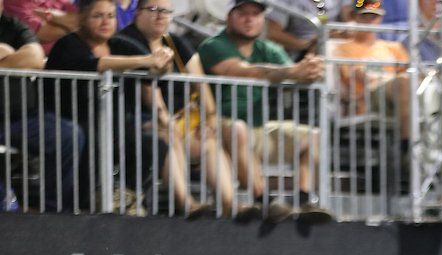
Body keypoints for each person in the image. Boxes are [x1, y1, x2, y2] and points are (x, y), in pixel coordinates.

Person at [110, 0, 278, 220]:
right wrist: (165, 118)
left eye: (165, 11)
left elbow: (199, 81)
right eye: (153, 10)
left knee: (209, 141)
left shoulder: (176, 42)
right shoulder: (126, 41)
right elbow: (148, 91)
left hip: (182, 118)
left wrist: (209, 118)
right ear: (137, 13)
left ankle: (230, 204)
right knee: (169, 135)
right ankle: (186, 203)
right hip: (138, 118)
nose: (160, 16)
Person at [46, 0, 215, 216]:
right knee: (91, 136)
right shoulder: (69, 44)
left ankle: (161, 200)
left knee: (158, 139)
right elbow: (97, 64)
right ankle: (88, 200)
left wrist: (161, 63)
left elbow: (156, 69)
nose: (106, 21)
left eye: (111, 15)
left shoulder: (119, 44)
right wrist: (145, 60)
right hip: (71, 118)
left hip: (117, 121)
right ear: (82, 19)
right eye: (98, 16)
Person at [199, 0, 332, 222]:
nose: (250, 19)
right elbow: (239, 71)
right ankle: (265, 201)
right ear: (229, 15)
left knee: (312, 136)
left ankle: (302, 200)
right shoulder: (213, 45)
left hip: (257, 129)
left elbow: (295, 72)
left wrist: (311, 70)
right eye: (243, 13)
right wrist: (294, 70)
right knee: (238, 128)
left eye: (256, 14)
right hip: (217, 129)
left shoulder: (268, 49)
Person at [0, 0, 84, 211]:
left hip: (21, 117)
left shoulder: (13, 25)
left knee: (70, 135)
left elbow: (36, 57)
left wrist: (5, 55)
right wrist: (13, 55)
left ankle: (52, 209)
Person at [329, 0, 410, 131]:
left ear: (381, 18)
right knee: (403, 82)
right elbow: (356, 76)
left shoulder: (394, 47)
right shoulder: (343, 48)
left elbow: (409, 74)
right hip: (367, 98)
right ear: (354, 17)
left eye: (374, 16)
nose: (369, 21)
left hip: (397, 94)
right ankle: (407, 142)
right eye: (364, 16)